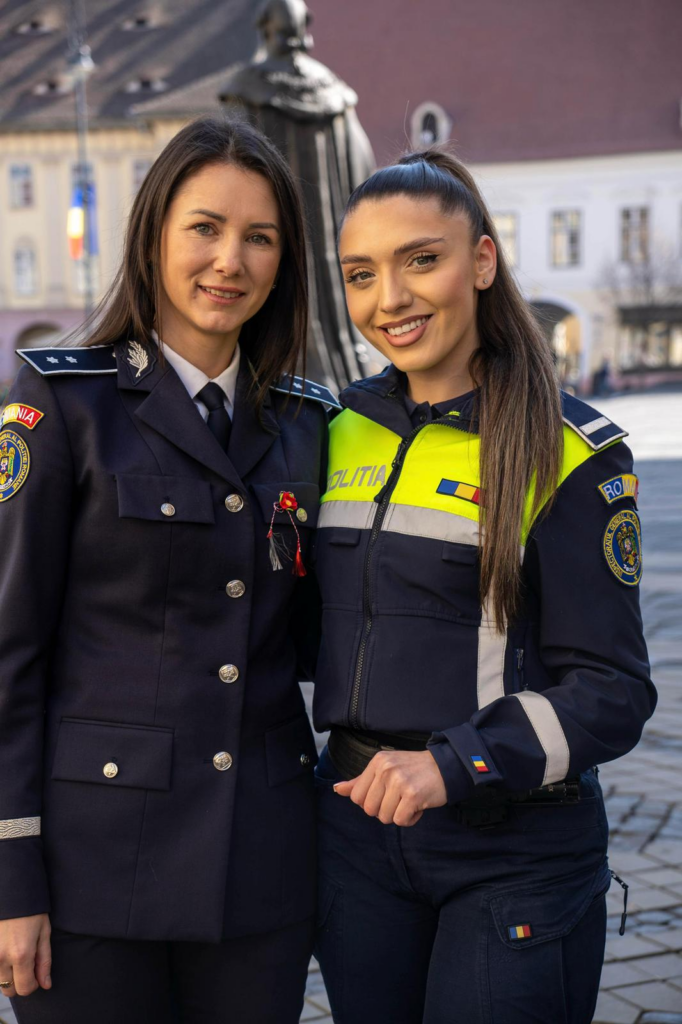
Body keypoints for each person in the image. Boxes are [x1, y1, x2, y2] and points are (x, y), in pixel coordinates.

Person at [0, 115, 336, 1024]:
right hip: (92, 870)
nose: (231, 260)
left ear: (284, 262)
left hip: (260, 869)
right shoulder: (65, 402)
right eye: (205, 228)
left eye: (260, 237)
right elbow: (10, 653)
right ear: (153, 236)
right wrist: (11, 872)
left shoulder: (307, 423)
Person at [312, 150, 655, 1024]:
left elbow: (613, 691)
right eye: (361, 274)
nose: (390, 298)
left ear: (482, 261)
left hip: (514, 849)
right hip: (356, 841)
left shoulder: (571, 452)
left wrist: (455, 763)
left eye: (421, 260)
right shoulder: (333, 430)